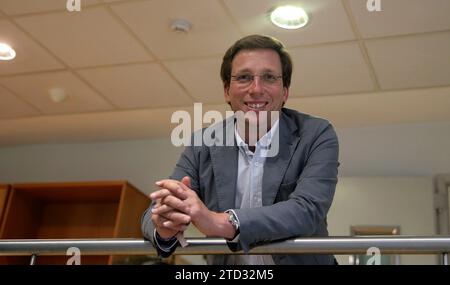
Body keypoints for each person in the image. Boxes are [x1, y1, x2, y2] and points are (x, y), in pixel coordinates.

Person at [141, 34, 339, 265]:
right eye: (244, 77)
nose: (256, 89)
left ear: (285, 91)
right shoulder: (203, 142)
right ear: (227, 90)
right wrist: (165, 223)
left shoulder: (317, 134)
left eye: (269, 77)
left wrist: (221, 222)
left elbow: (307, 209)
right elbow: (154, 212)